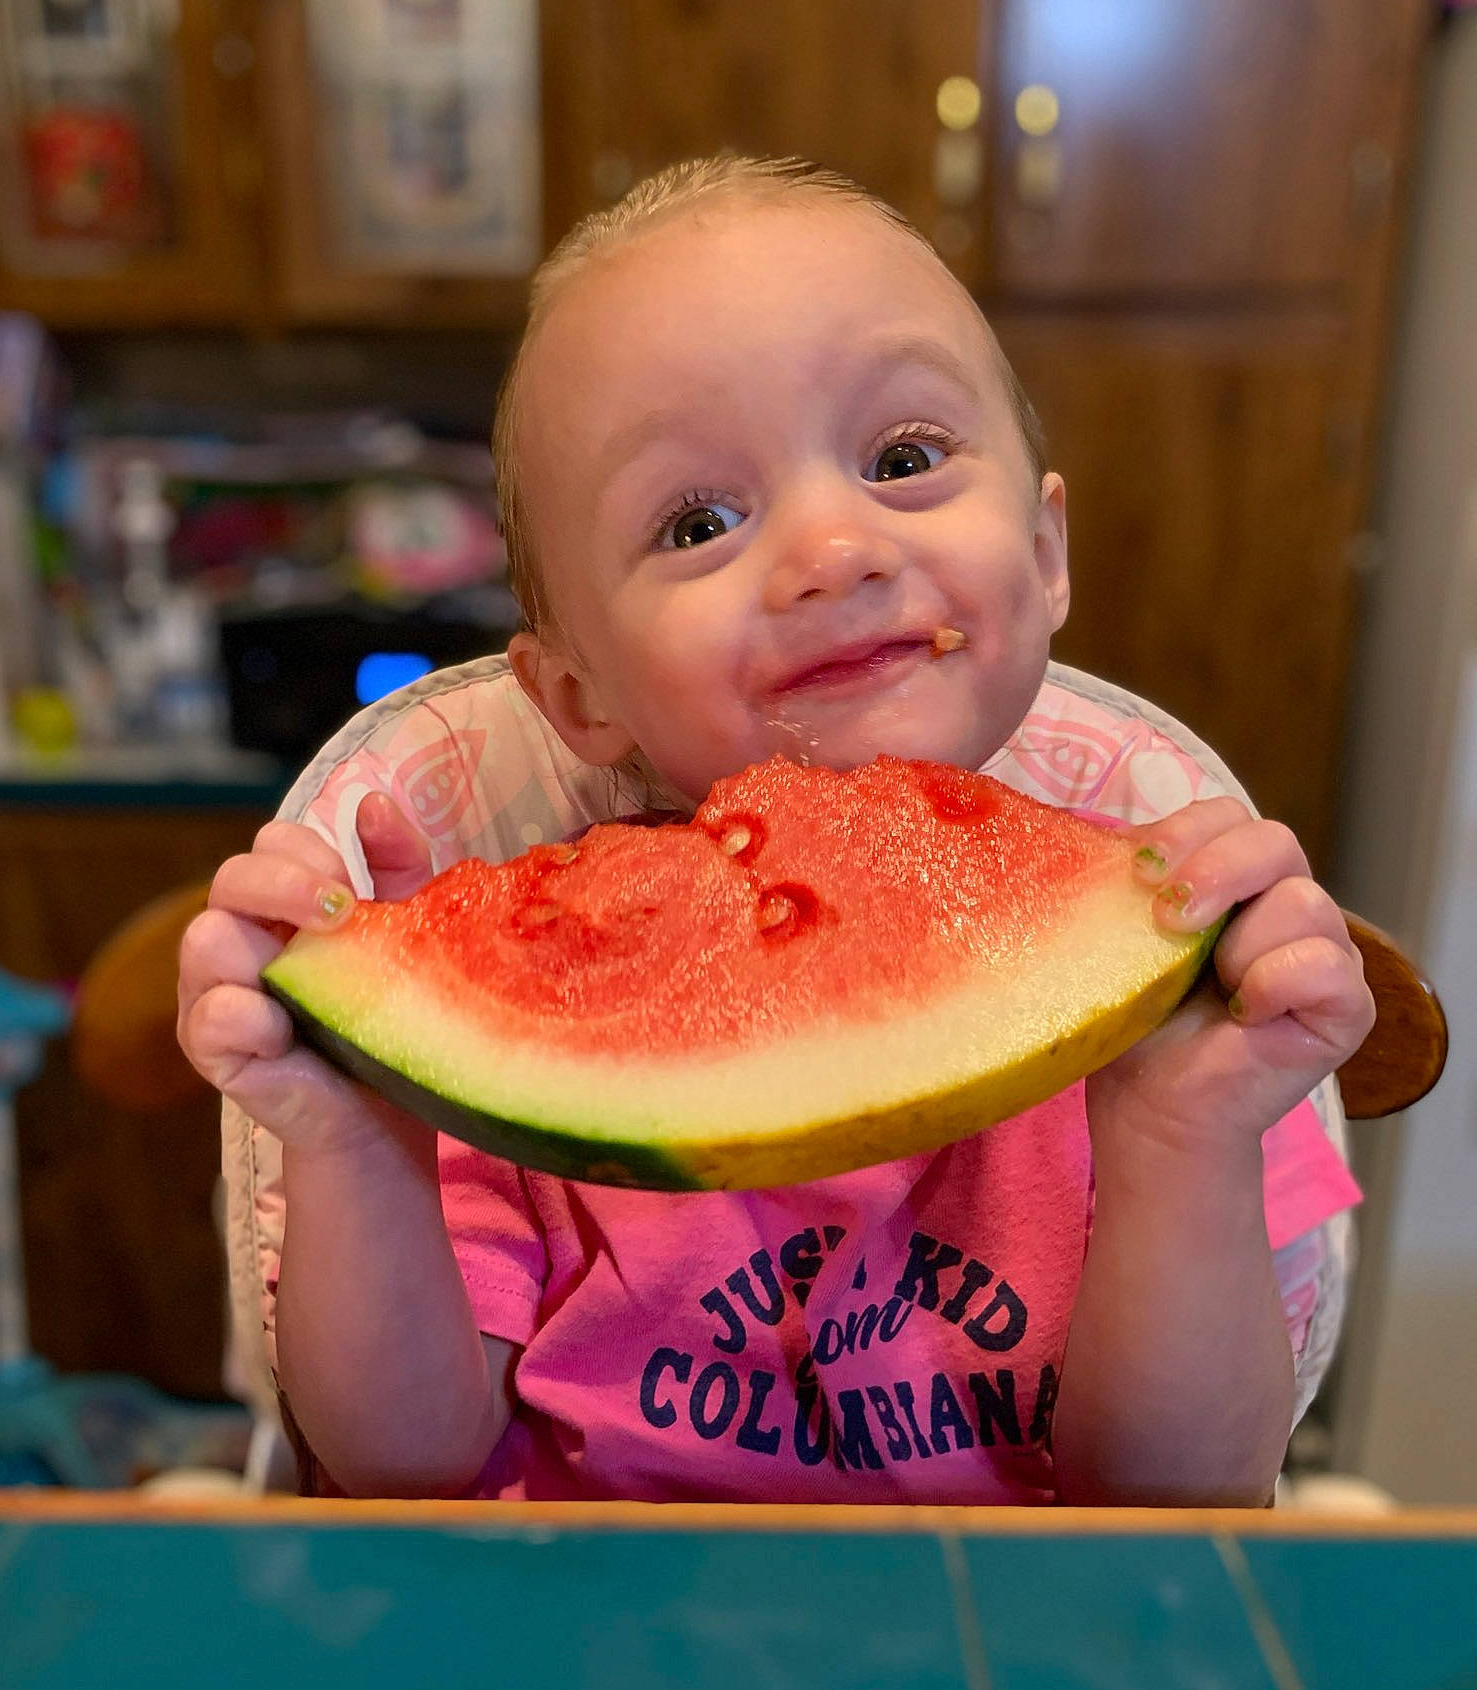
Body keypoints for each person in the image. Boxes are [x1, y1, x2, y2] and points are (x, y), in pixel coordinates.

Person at [178, 156, 1374, 1508]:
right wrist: (362, 1141)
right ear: (575, 695)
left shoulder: (1176, 989)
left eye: (904, 459)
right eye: (699, 522)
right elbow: (406, 1468)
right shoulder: (512, 1039)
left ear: (1045, 557)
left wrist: (1176, 1143)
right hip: (590, 1662)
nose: (833, 546)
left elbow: (1174, 1505)